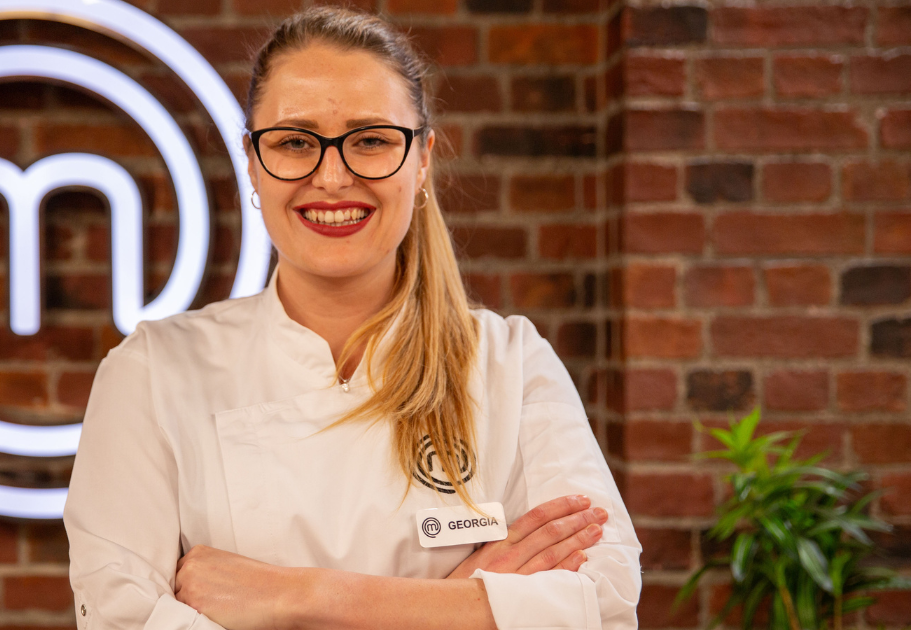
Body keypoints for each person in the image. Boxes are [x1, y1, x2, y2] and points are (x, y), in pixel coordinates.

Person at [64, 7, 642, 629]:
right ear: (253, 162)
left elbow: (603, 605)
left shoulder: (511, 364)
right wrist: (466, 604)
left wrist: (300, 596)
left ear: (422, 158)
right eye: (294, 142)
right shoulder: (152, 370)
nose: (332, 177)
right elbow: (120, 618)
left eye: (370, 140)